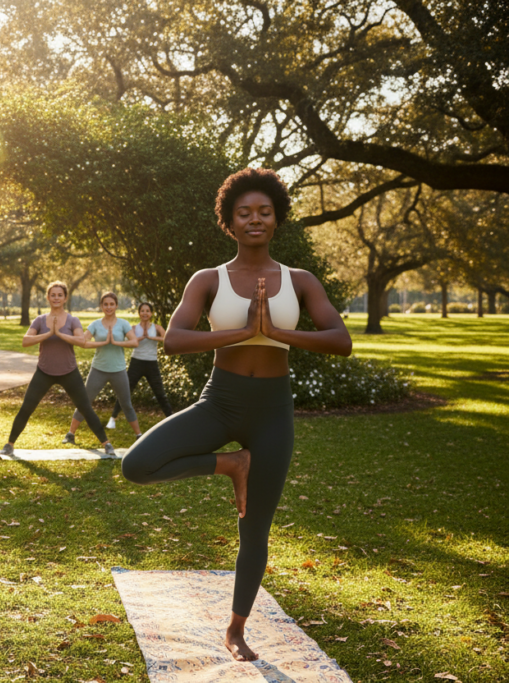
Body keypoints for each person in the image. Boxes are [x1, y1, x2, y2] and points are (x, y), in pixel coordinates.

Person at [120, 168, 352, 662]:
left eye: (264, 212)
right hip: (219, 402)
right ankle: (230, 463)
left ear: (276, 219)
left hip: (272, 411)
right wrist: (243, 331)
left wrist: (279, 333)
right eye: (244, 212)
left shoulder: (299, 281)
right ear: (229, 222)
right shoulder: (209, 279)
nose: (255, 219)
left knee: (256, 527)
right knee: (136, 466)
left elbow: (340, 340)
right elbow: (176, 339)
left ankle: (236, 628)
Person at [0, 282, 115, 457]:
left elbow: (81, 341)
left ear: (65, 298)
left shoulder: (72, 320)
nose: (56, 298)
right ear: (48, 297)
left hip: (69, 372)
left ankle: (106, 444)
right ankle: (9, 444)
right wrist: (48, 333)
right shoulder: (40, 320)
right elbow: (25, 341)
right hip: (44, 372)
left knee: (85, 408)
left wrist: (59, 334)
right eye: (53, 295)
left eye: (60, 295)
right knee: (26, 408)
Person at [62, 292, 143, 444]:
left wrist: (115, 342)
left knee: (126, 403)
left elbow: (134, 342)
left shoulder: (123, 324)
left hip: (118, 370)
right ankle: (70, 434)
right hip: (98, 369)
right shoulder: (95, 324)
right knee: (84, 401)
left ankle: (139, 436)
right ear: (101, 306)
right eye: (105, 304)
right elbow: (83, 342)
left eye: (111, 304)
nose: (108, 307)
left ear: (116, 305)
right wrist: (103, 343)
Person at [106, 302, 173, 429]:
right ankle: (112, 419)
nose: (145, 313)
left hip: (152, 363)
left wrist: (152, 337)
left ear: (151, 313)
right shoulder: (134, 328)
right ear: (139, 313)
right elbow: (128, 342)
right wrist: (142, 337)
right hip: (136, 362)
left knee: (160, 393)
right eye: (142, 311)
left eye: (147, 311)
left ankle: (171, 419)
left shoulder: (157, 327)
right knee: (125, 391)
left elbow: (167, 339)